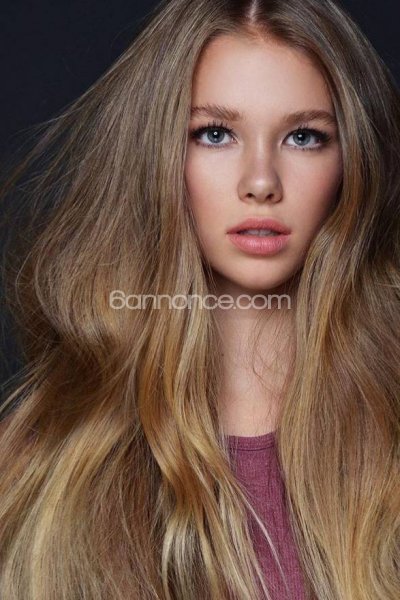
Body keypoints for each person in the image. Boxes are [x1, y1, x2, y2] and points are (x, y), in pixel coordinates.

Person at [0, 0, 399, 598]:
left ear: (354, 162)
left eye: (304, 136)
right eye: (215, 134)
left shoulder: (388, 425)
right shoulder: (44, 456)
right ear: (157, 155)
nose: (260, 181)